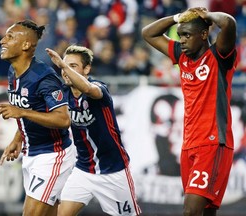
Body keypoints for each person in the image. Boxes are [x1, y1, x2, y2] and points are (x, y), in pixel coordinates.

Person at [142, 7, 237, 216]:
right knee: (205, 212)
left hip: (213, 143)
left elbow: (229, 23)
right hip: (189, 145)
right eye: (180, 35)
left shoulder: (219, 56)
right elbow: (148, 33)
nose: (182, 40)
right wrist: (178, 17)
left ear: (203, 35)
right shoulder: (181, 56)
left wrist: (207, 16)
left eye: (187, 35)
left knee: (190, 211)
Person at [0, 20, 75, 216]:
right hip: (31, 153)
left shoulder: (44, 78)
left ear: (26, 45)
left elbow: (63, 120)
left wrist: (22, 112)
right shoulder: (13, 71)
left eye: (10, 37)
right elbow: (30, 107)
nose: (2, 40)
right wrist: (18, 138)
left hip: (52, 155)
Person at [46, 45, 142, 216]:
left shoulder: (99, 88)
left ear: (87, 69)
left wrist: (63, 65)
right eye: (64, 66)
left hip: (113, 170)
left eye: (73, 66)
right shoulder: (62, 95)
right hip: (84, 169)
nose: (65, 71)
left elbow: (89, 89)